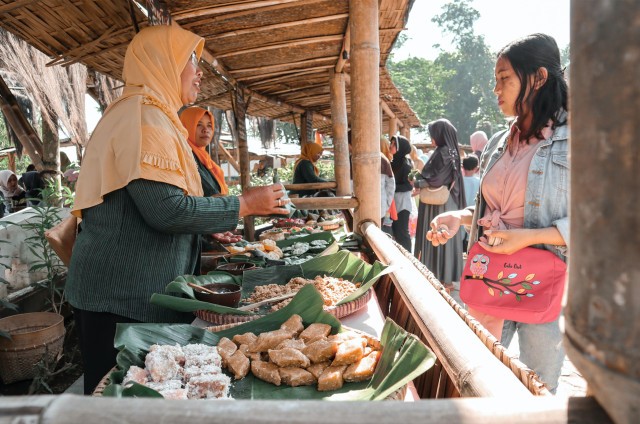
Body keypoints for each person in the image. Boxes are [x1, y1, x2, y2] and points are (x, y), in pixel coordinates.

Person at [65, 24, 288, 395]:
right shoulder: (143, 118)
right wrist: (246, 204)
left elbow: (157, 204)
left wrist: (206, 224)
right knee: (117, 400)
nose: (198, 72)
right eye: (190, 61)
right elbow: (166, 212)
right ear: (162, 63)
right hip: (120, 298)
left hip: (128, 292)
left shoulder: (152, 115)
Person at [426, 33, 569, 393]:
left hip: (547, 283)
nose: (496, 89)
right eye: (496, 80)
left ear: (537, 78)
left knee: (537, 389)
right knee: (483, 379)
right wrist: (459, 217)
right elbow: (496, 206)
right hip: (491, 276)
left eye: (504, 78)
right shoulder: (498, 143)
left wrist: (531, 237)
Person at [413, 119, 465, 290]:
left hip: (436, 204)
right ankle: (447, 279)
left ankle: (435, 278)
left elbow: (434, 179)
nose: (431, 139)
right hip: (447, 201)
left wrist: (417, 182)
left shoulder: (442, 152)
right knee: (446, 238)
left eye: (433, 135)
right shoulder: (452, 151)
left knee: (435, 235)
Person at [179, 107, 228, 196]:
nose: (205, 130)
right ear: (185, 126)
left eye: (209, 125)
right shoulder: (185, 156)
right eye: (198, 124)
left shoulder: (205, 159)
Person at [390, 135, 413, 252]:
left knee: (402, 232)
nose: (391, 146)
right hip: (393, 201)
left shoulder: (406, 165)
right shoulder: (393, 162)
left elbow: (409, 185)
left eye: (394, 144)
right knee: (395, 231)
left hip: (402, 203)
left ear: (400, 147)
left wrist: (392, 187)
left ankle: (409, 257)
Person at [380, 138, 396, 235]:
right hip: (387, 200)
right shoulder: (387, 159)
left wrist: (387, 203)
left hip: (386, 200)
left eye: (393, 144)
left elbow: (391, 184)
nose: (391, 146)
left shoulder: (384, 160)